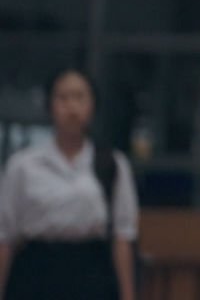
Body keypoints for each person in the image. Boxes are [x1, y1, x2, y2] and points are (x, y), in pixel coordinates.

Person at [0, 69, 138, 300]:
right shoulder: (23, 165)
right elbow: (5, 235)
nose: (72, 107)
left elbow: (122, 236)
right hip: (35, 274)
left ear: (92, 106)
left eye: (79, 97)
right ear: (50, 105)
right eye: (63, 98)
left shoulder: (112, 164)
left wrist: (128, 295)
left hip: (91, 275)